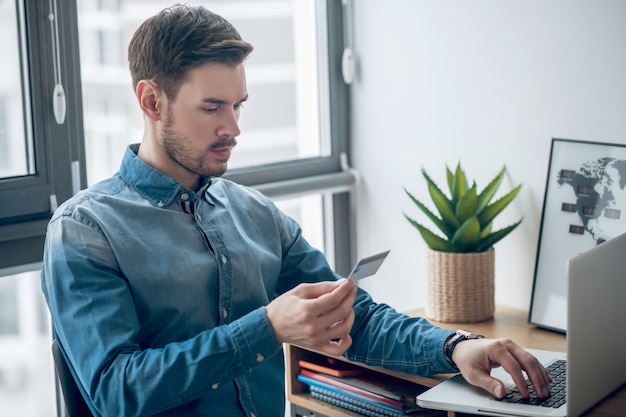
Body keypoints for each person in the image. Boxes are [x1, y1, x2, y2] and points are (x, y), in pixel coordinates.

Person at [41, 4, 551, 417]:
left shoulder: (256, 214)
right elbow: (115, 393)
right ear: (152, 101)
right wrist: (267, 326)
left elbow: (350, 317)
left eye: (238, 105)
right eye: (212, 107)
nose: (234, 128)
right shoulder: (85, 231)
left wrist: (455, 348)